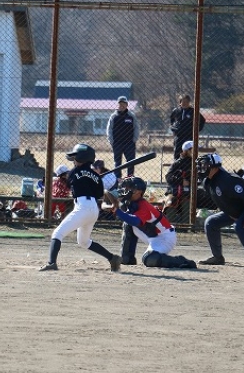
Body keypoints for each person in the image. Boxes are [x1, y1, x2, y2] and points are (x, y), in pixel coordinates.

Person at [39, 143, 121, 272]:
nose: (74, 161)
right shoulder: (96, 176)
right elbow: (98, 194)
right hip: (93, 210)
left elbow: (68, 184)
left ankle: (52, 263)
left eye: (75, 158)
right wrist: (92, 179)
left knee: (57, 233)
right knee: (84, 242)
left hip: (82, 207)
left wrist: (85, 178)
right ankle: (112, 258)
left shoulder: (74, 172)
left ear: (81, 158)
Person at [107, 176, 196, 268]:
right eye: (125, 188)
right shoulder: (129, 202)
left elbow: (135, 221)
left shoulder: (143, 205)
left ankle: (181, 262)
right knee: (127, 224)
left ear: (139, 192)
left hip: (164, 237)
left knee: (149, 259)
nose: (125, 190)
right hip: (151, 234)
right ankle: (127, 258)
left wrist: (117, 210)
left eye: (129, 188)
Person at [196, 153, 244, 269]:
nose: (201, 168)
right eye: (200, 165)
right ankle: (217, 257)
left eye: (204, 165)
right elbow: (223, 201)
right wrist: (230, 212)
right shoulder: (208, 182)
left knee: (241, 226)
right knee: (211, 222)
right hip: (237, 210)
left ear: (215, 166)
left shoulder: (229, 180)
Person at [106, 96, 139, 178]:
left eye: (124, 104)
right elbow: (109, 129)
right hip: (117, 143)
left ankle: (130, 178)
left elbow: (136, 128)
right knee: (117, 163)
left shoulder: (131, 116)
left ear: (127, 105)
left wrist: (134, 139)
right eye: (120, 104)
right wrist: (111, 140)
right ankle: (118, 178)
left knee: (131, 162)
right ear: (118, 105)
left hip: (129, 143)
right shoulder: (113, 116)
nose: (122, 106)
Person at [163, 140, 194, 223]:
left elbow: (199, 179)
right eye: (192, 149)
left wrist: (190, 182)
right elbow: (168, 177)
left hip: (188, 194)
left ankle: (186, 226)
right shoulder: (176, 164)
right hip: (174, 192)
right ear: (186, 151)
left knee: (186, 205)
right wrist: (181, 181)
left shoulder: (195, 164)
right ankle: (171, 225)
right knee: (170, 204)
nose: (195, 152)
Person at [169, 94, 205, 159]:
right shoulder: (176, 111)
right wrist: (173, 128)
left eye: (187, 102)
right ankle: (177, 163)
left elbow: (202, 120)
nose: (185, 103)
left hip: (189, 136)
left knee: (188, 152)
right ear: (180, 102)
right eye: (183, 101)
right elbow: (172, 120)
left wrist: (196, 130)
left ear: (189, 103)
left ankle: (189, 164)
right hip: (179, 136)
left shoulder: (193, 111)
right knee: (177, 151)